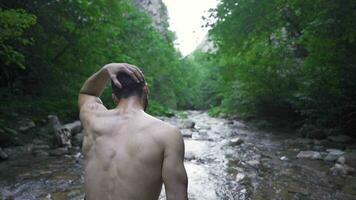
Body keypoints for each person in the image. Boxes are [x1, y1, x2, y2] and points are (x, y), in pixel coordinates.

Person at [78, 63, 188, 200]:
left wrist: (106, 70)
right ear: (146, 90)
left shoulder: (93, 119)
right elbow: (177, 196)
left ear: (114, 97)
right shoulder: (168, 134)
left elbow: (87, 92)